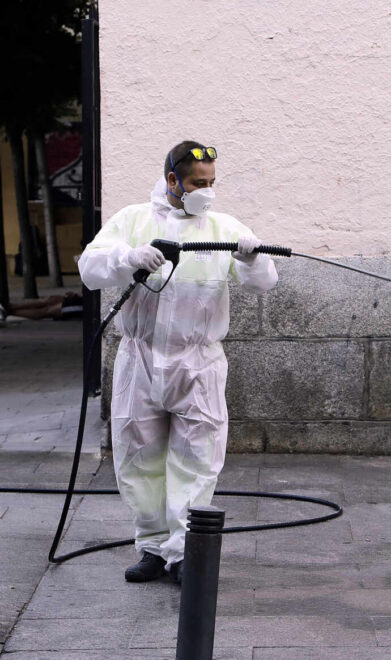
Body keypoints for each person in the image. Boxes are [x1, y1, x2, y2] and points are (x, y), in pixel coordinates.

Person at [79, 141, 279, 584]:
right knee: (138, 457)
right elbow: (90, 268)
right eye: (197, 183)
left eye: (211, 183)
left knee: (197, 458)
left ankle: (184, 551)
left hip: (198, 364)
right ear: (173, 180)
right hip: (140, 359)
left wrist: (252, 257)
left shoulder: (222, 226)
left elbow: (264, 283)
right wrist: (127, 257)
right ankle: (152, 547)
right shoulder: (132, 220)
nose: (206, 191)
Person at [0, 293, 83, 322]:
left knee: (47, 311)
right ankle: (10, 306)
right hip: (83, 298)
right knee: (50, 299)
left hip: (83, 305)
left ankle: (9, 311)